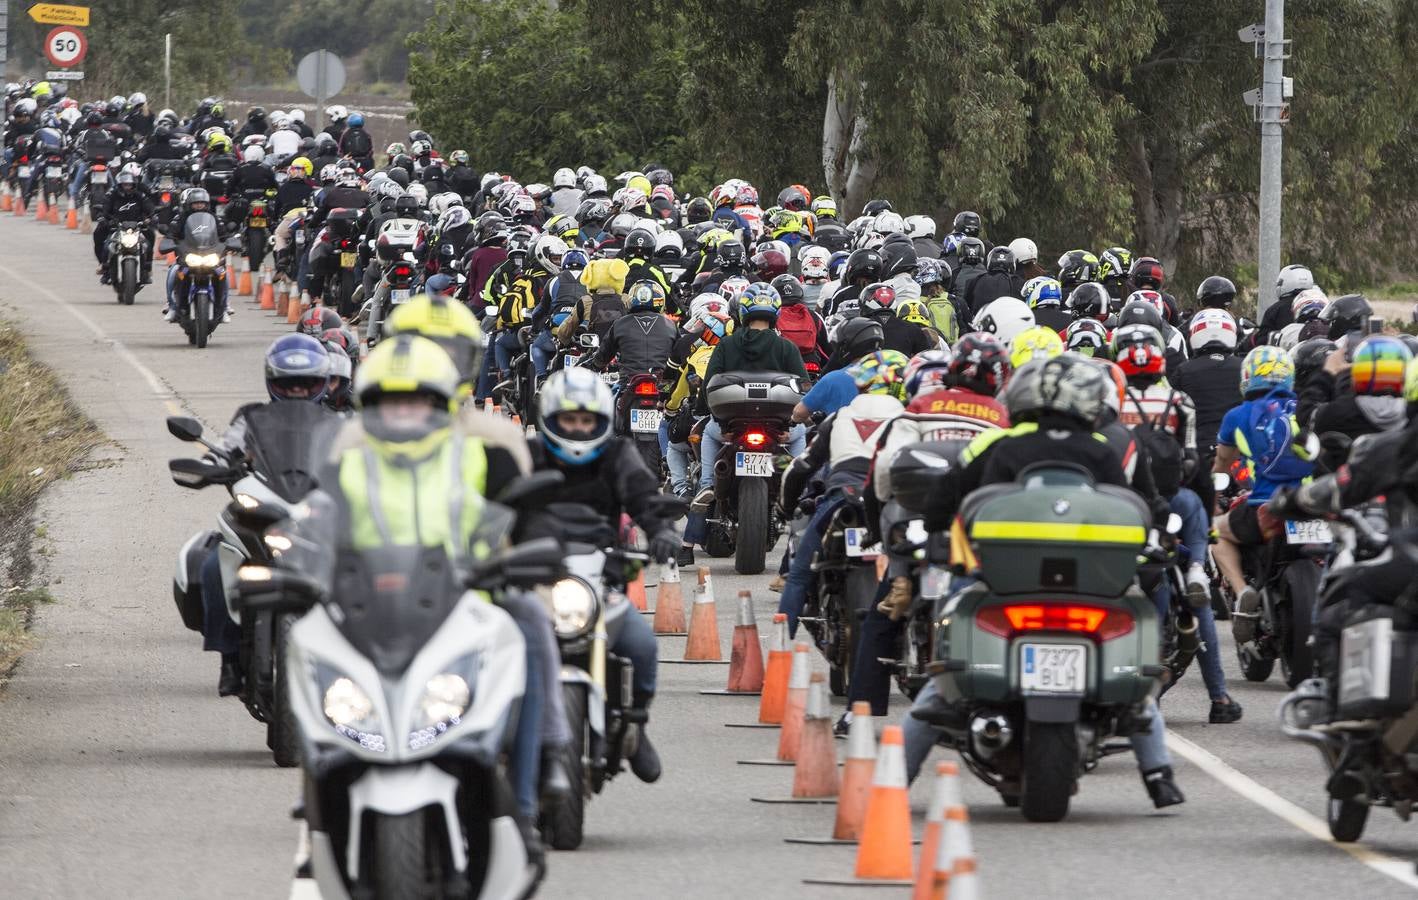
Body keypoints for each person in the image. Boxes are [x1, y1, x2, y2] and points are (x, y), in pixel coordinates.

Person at [902, 353, 1185, 808]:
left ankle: (893, 780)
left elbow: (939, 504)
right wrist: (1161, 543)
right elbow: (1146, 507)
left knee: (941, 681)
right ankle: (1159, 774)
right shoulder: (1106, 450)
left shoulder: (996, 445)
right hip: (1091, 588)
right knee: (1140, 686)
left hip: (1000, 586)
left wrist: (932, 539)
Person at [525, 368, 681, 783]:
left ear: (602, 422)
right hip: (534, 578)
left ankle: (636, 725)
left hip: (599, 575)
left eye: (586, 421)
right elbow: (497, 507)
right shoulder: (529, 456)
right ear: (550, 420)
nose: (577, 429)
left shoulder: (618, 455)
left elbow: (643, 495)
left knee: (641, 643)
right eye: (569, 421)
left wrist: (661, 529)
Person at [1113, 323, 1242, 722]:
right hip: (1173, 503)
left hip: (1122, 507)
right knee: (1194, 591)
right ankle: (1219, 698)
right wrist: (1204, 518)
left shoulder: (1111, 401)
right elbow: (1192, 463)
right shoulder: (1178, 401)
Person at [199, 334, 334, 697]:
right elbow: (226, 449)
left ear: (321, 383)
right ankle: (228, 657)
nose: (297, 391)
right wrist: (212, 466)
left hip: (316, 511)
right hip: (263, 507)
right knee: (213, 564)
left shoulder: (340, 423)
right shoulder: (251, 418)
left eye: (305, 383)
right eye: (288, 384)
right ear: (273, 383)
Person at [776, 351, 909, 633]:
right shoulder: (909, 419)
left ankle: (780, 648)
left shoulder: (840, 417)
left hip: (840, 498)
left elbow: (800, 468)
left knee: (799, 574)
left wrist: (786, 508)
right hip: (890, 507)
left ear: (862, 384)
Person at [684, 284, 809, 560]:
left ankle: (706, 486)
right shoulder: (786, 347)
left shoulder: (727, 344)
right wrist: (792, 426)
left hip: (730, 429)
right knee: (801, 451)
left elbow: (709, 385)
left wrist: (707, 414)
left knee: (707, 437)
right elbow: (803, 387)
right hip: (779, 431)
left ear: (742, 312)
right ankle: (801, 488)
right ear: (774, 312)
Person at [1212, 346, 1318, 642]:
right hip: (1315, 506)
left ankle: (1243, 591)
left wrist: (1211, 497)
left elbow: (1222, 464)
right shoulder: (1306, 409)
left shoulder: (1237, 416)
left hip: (1265, 509)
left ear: (1248, 378)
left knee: (1215, 532)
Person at [93, 163, 155, 285]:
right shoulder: (112, 194)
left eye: (129, 185)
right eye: (125, 185)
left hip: (137, 226)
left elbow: (149, 207)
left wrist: (152, 217)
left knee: (149, 239)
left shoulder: (140, 195)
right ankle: (104, 268)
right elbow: (104, 208)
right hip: (115, 226)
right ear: (120, 185)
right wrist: (102, 218)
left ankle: (147, 269)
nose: (127, 187)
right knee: (103, 241)